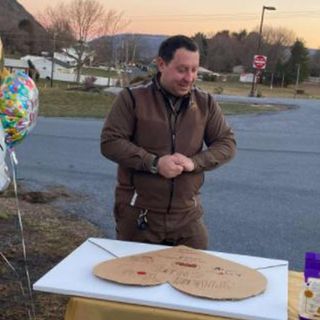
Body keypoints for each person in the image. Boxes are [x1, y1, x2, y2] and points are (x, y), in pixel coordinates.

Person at [100, 35, 236, 249]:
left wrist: (195, 163)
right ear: (161, 64)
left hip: (188, 217)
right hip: (140, 216)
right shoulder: (132, 98)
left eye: (194, 70)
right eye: (182, 69)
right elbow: (110, 142)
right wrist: (154, 163)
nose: (189, 78)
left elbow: (226, 143)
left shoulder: (205, 103)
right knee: (136, 280)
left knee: (194, 279)